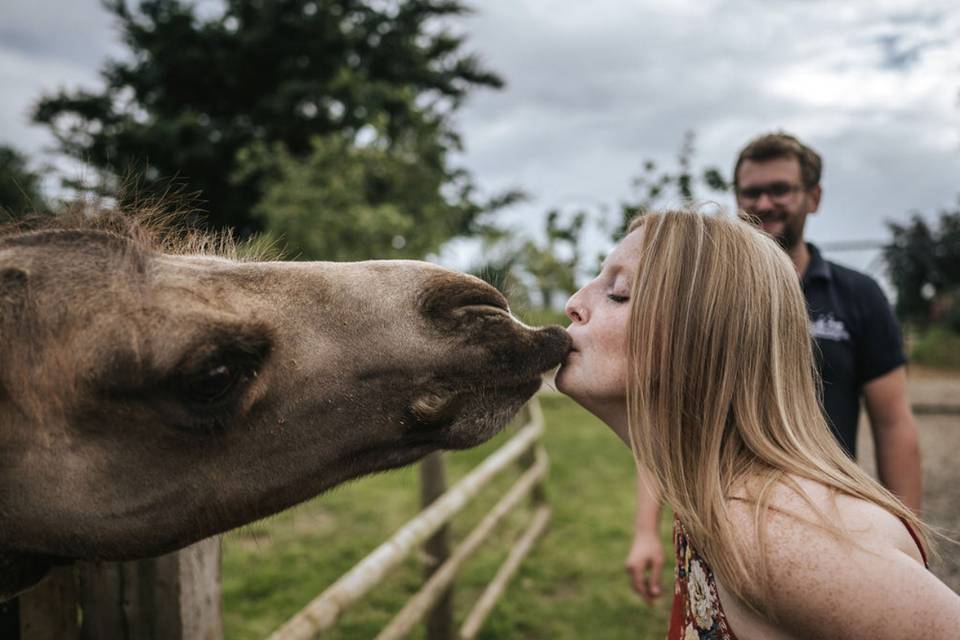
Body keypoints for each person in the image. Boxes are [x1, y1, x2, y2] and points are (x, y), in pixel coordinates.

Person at [557, 211, 959, 638]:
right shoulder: (709, 498)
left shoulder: (775, 537)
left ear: (699, 339)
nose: (573, 303)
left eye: (619, 293)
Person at [624, 133, 923, 604]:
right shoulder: (708, 298)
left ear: (814, 197)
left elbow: (893, 422)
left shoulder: (859, 296)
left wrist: (909, 541)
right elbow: (667, 414)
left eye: (780, 190)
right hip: (720, 526)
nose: (764, 203)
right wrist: (645, 531)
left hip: (827, 522)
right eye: (750, 192)